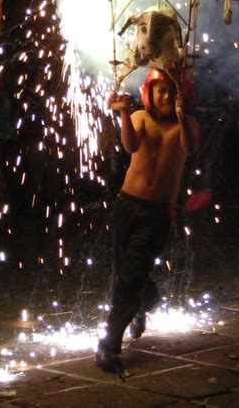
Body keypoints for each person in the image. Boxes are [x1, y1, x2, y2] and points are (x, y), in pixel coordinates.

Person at [95, 67, 199, 373]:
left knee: (129, 276)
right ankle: (144, 301)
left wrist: (180, 115)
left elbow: (190, 147)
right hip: (126, 206)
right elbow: (130, 145)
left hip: (157, 214)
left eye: (171, 90)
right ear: (149, 93)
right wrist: (125, 112)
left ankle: (110, 345)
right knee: (123, 274)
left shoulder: (189, 124)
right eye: (160, 90)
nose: (165, 96)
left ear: (182, 94)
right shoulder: (140, 118)